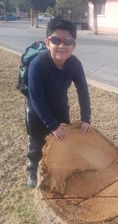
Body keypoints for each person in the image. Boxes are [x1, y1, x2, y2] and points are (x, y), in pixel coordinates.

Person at [26, 17, 91, 188]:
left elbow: (82, 90)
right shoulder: (37, 65)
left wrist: (86, 118)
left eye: (67, 41)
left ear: (73, 45)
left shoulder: (75, 64)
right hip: (36, 112)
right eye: (56, 40)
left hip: (60, 108)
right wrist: (53, 126)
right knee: (36, 144)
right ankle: (32, 170)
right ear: (48, 42)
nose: (62, 45)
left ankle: (62, 166)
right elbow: (36, 100)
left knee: (64, 140)